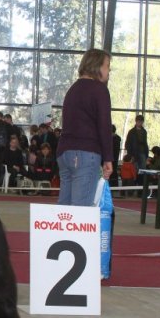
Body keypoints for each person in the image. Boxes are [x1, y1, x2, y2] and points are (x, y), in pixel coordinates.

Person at [56, 48, 113, 206]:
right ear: (97, 66)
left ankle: (61, 232)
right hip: (85, 153)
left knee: (64, 210)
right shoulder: (99, 89)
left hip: (64, 153)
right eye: (107, 66)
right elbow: (104, 125)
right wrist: (108, 158)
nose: (109, 71)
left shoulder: (73, 89)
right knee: (80, 211)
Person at [125, 114, 148, 182]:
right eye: (138, 121)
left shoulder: (144, 131)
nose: (139, 123)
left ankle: (141, 186)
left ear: (142, 122)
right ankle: (134, 185)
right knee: (134, 169)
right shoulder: (131, 132)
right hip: (134, 153)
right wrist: (130, 154)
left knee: (142, 170)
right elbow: (128, 143)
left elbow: (145, 143)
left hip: (142, 152)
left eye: (141, 121)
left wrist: (146, 153)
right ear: (136, 121)